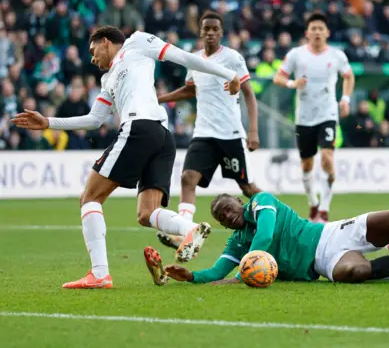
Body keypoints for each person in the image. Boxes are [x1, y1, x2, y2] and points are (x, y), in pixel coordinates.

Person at [11, 26, 242, 289]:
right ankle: (188, 229)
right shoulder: (108, 79)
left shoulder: (137, 43)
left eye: (92, 50)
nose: (91, 58)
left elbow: (183, 57)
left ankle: (99, 274)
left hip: (140, 128)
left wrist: (229, 73)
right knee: (147, 213)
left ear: (106, 42)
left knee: (89, 197)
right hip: (160, 137)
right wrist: (48, 123)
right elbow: (94, 120)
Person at [143, 191, 389, 286]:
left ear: (240, 202)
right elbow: (215, 274)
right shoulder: (237, 243)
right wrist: (191, 277)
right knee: (356, 273)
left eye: (228, 208)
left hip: (334, 232)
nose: (227, 216)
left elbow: (266, 234)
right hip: (324, 262)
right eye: (222, 218)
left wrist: (246, 269)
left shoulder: (261, 202)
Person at [154, 11, 261, 250]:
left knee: (247, 188)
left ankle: (279, 216)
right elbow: (190, 90)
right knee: (187, 178)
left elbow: (249, 95)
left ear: (221, 33)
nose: (210, 33)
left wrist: (253, 131)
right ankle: (185, 233)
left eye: (215, 29)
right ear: (200, 32)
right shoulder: (194, 59)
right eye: (206, 29)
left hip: (230, 134)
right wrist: (159, 98)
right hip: (203, 132)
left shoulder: (233, 58)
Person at [272, 12, 355, 223]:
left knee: (327, 158)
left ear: (327, 32)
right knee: (307, 165)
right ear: (307, 33)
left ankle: (325, 209)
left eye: (321, 28)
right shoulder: (296, 55)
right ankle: (313, 203)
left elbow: (348, 76)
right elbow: (278, 76)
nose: (317, 32)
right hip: (304, 118)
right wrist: (292, 83)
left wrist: (345, 99)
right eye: (313, 28)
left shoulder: (337, 55)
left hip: (328, 114)